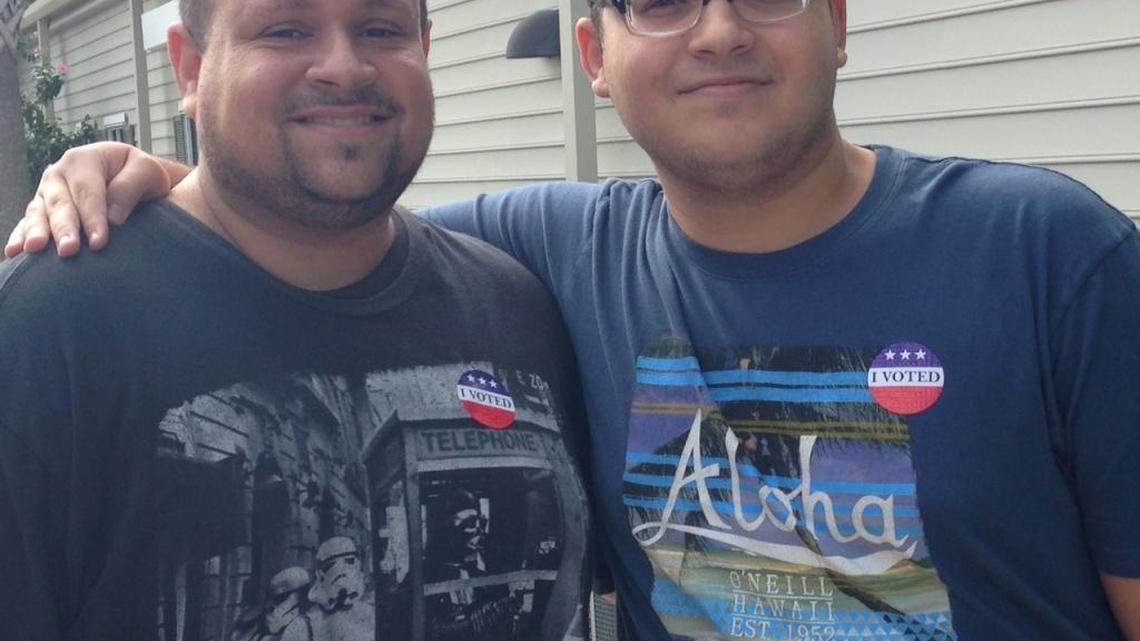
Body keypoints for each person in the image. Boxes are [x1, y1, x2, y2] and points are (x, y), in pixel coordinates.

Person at [7, 0, 1140, 639]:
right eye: (661, 3)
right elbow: (314, 206)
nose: (718, 33)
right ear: (596, 56)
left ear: (838, 23)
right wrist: (155, 180)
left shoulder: (1046, 252)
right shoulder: (554, 254)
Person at [0, 1, 593, 640]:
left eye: (379, 29)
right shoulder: (53, 327)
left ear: (424, 48)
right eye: (285, 30)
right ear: (191, 69)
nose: (344, 67)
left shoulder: (518, 309)